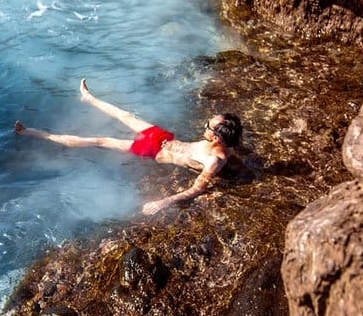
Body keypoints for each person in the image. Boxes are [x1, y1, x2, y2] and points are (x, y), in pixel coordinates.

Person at [14, 79, 243, 215]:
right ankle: (88, 98)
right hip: (163, 138)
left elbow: (196, 190)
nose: (205, 125)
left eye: (208, 126)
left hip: (155, 151)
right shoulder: (218, 142)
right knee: (125, 115)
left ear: (217, 139)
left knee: (100, 140)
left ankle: (32, 133)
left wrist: (162, 203)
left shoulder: (215, 161)